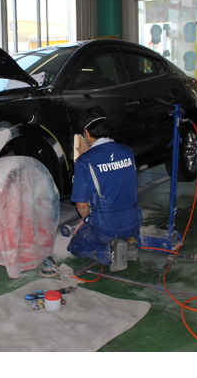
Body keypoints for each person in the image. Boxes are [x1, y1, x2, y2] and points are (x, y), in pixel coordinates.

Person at [67, 107, 142, 272]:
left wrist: (86, 220)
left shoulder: (84, 161)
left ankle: (110, 251)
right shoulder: (127, 151)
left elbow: (81, 204)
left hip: (107, 225)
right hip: (134, 220)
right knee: (123, 227)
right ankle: (131, 240)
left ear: (87, 133)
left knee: (76, 246)